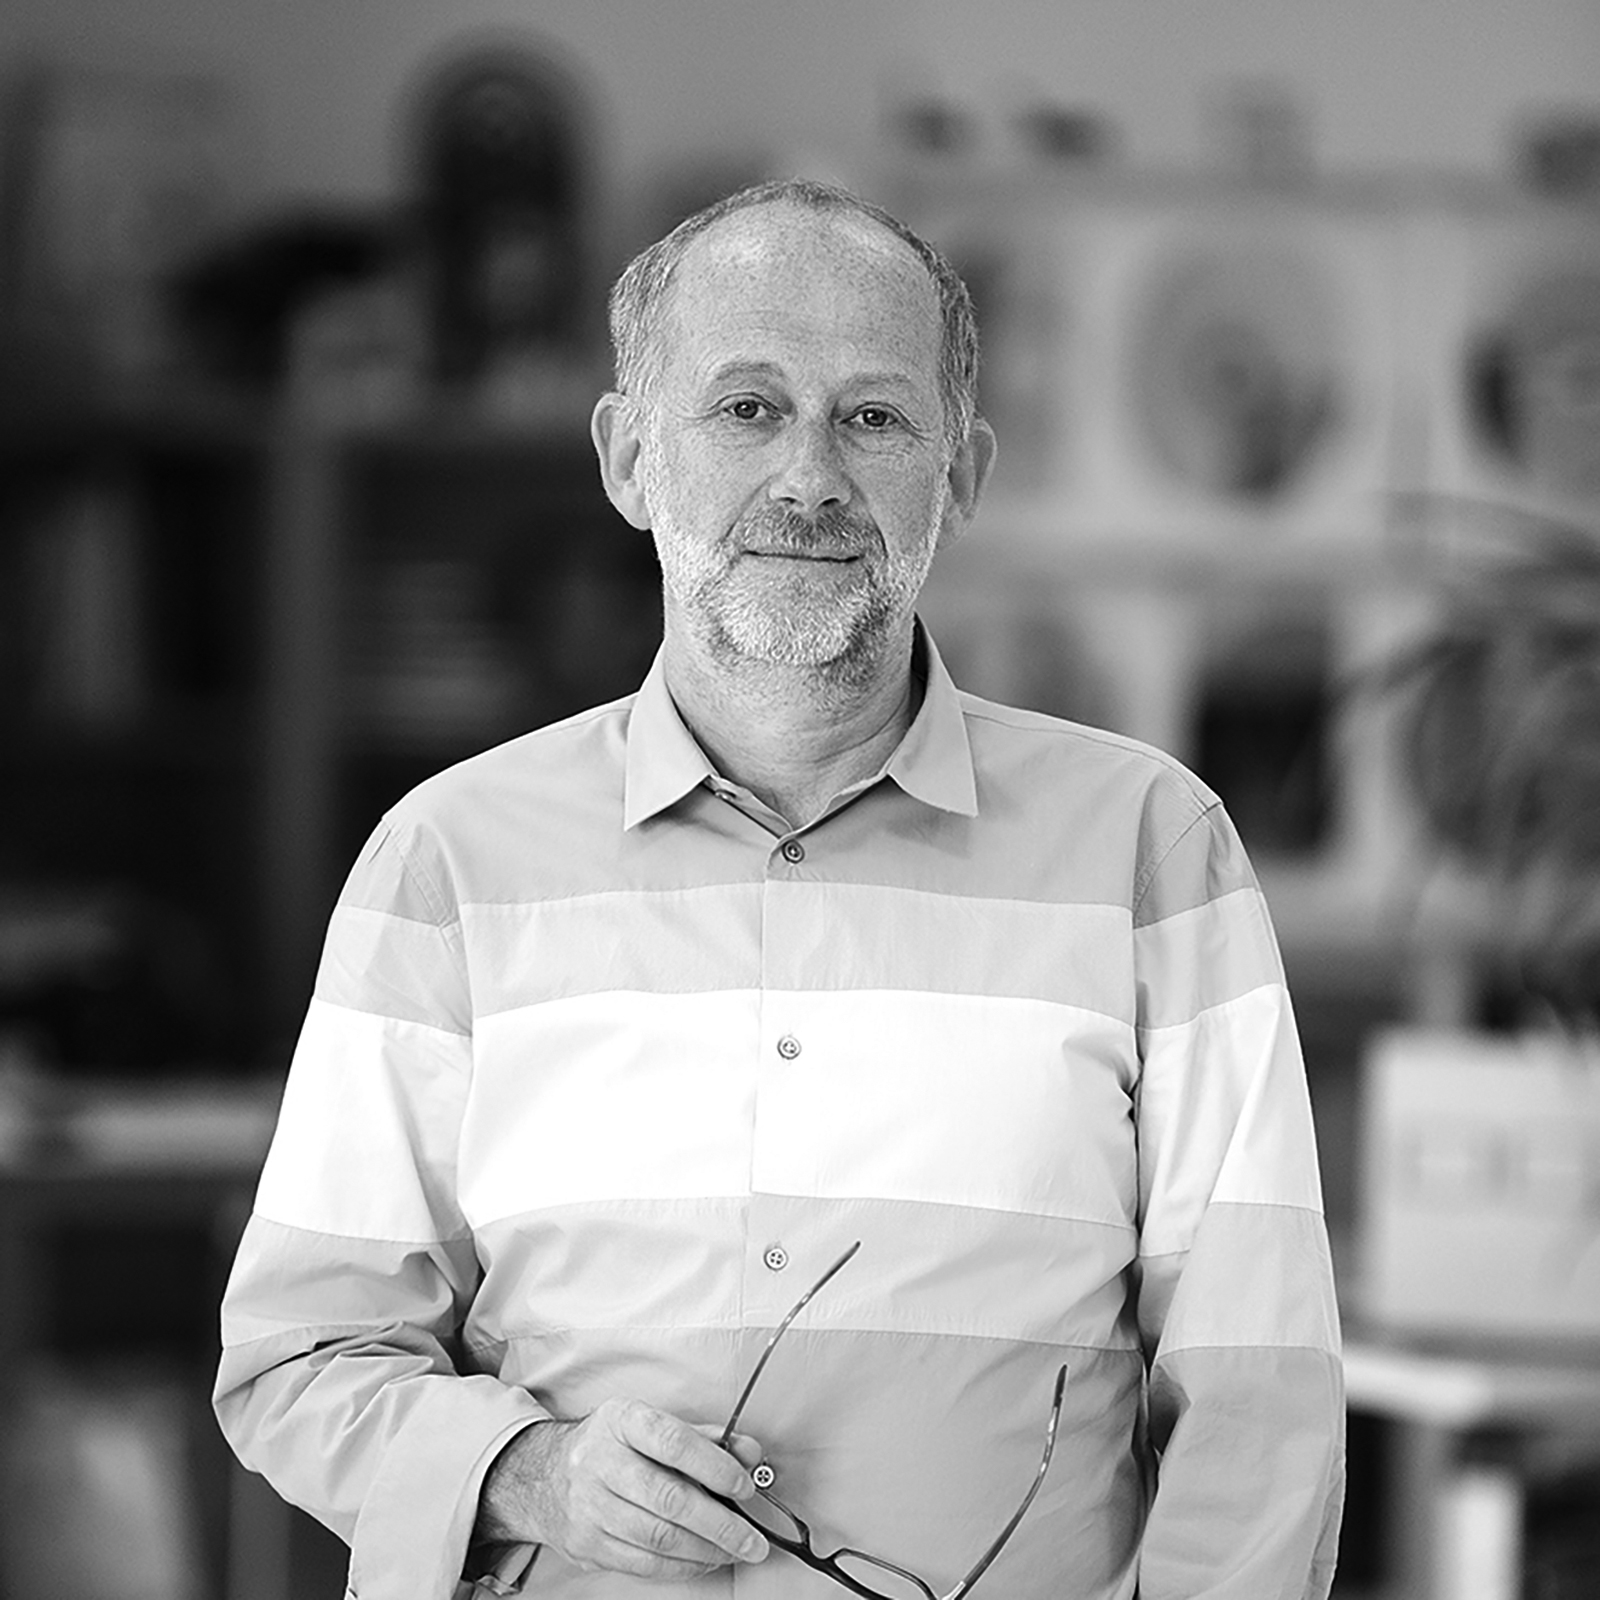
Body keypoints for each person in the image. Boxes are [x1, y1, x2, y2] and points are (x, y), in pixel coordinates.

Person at [216, 178, 1345, 1600]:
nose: (809, 475)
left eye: (874, 416)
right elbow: (297, 1360)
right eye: (746, 407)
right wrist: (528, 1474)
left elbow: (1261, 1408)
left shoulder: (1158, 852)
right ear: (630, 460)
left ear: (965, 475)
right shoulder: (442, 865)